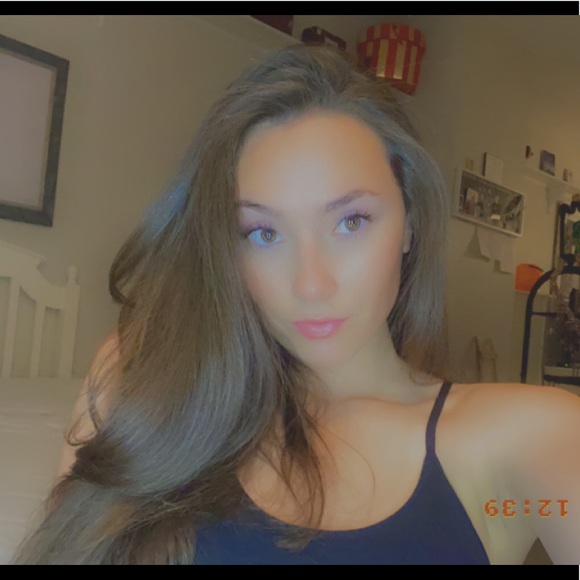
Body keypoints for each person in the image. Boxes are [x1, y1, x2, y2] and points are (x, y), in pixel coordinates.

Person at [14, 44, 580, 565]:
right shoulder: (142, 382)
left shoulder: (531, 438)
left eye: (351, 221)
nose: (310, 284)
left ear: (410, 223)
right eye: (264, 233)